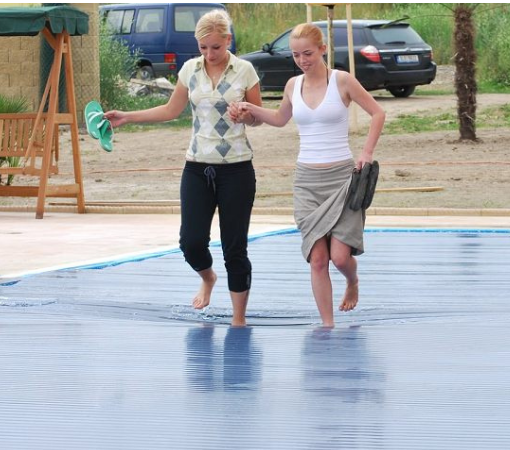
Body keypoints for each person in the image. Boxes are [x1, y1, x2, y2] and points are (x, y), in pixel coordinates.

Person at [104, 10, 262, 327]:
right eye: (203, 47)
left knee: (235, 247)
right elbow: (170, 110)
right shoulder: (190, 69)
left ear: (227, 40)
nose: (209, 54)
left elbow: (257, 118)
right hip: (196, 167)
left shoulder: (245, 71)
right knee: (190, 243)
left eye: (215, 47)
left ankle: (239, 319)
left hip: (236, 169)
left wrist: (245, 114)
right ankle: (207, 277)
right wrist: (127, 117)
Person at [229, 23, 385, 328]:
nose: (302, 60)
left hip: (342, 178)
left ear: (323, 49)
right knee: (317, 259)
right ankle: (328, 325)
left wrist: (366, 153)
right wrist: (250, 109)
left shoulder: (342, 81)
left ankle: (352, 281)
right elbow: (278, 118)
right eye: (296, 54)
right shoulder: (292, 86)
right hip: (307, 182)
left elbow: (378, 113)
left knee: (340, 258)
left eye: (308, 53)